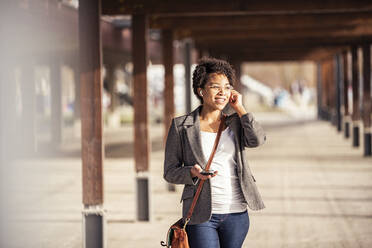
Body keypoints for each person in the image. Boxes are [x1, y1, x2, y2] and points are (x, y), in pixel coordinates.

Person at [163, 57, 266, 248]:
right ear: (200, 90)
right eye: (215, 86)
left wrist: (240, 108)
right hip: (200, 215)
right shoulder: (181, 126)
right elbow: (169, 171)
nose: (222, 92)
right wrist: (191, 173)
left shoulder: (236, 122)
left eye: (227, 87)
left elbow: (257, 140)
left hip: (237, 213)